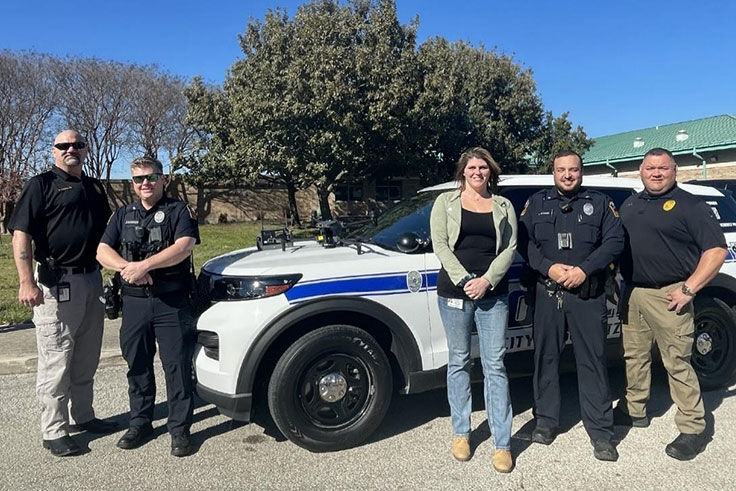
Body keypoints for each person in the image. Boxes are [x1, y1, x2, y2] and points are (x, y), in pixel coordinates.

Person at [8, 130, 117, 457]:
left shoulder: (95, 186)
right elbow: (20, 234)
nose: (71, 149)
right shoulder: (40, 185)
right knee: (56, 357)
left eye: (77, 144)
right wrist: (26, 280)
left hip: (92, 279)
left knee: (86, 355)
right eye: (63, 145)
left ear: (85, 150)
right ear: (54, 151)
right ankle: (54, 430)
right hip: (57, 283)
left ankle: (83, 416)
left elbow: (107, 233)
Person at [616, 147, 727, 461]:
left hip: (671, 294)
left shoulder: (691, 205)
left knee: (677, 362)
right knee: (634, 356)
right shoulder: (631, 204)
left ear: (674, 170)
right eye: (650, 168)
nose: (656, 173)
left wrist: (688, 290)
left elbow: (716, 250)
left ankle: (693, 428)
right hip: (634, 292)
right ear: (641, 170)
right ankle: (634, 409)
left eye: (662, 168)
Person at [519, 150, 623, 461]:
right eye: (562, 170)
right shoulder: (536, 202)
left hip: (587, 294)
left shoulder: (601, 203)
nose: (567, 175)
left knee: (592, 361)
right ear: (553, 172)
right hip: (548, 293)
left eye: (573, 170)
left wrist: (584, 269)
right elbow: (524, 243)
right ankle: (546, 422)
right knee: (545, 359)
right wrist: (548, 267)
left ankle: (602, 432)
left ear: (581, 172)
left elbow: (615, 241)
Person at [96, 156, 200, 457]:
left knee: (177, 367)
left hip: (171, 301)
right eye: (139, 179)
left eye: (152, 177)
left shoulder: (178, 210)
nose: (146, 183)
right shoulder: (122, 214)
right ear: (132, 183)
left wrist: (145, 266)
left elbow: (184, 246)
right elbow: (102, 251)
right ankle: (141, 422)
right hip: (134, 304)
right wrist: (128, 268)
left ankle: (180, 430)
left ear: (163, 179)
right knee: (137, 366)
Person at [430, 147, 517, 473]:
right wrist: (466, 279)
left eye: (483, 167)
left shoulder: (504, 205)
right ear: (463, 171)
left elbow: (510, 248)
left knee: (495, 364)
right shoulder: (445, 203)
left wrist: (487, 281)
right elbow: (440, 244)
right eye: (472, 167)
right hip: (454, 292)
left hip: (493, 294)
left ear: (489, 172)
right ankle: (461, 432)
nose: (478, 172)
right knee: (459, 361)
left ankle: (502, 443)